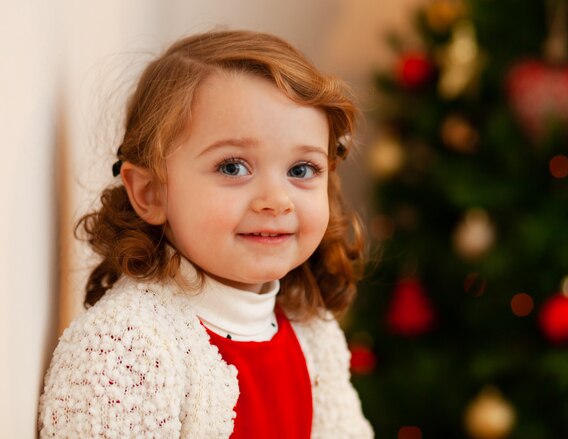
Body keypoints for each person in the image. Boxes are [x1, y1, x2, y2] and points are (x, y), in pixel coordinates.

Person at [38, 30, 373, 438]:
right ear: (150, 192)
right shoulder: (124, 351)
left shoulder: (309, 327)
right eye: (233, 167)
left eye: (301, 170)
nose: (276, 200)